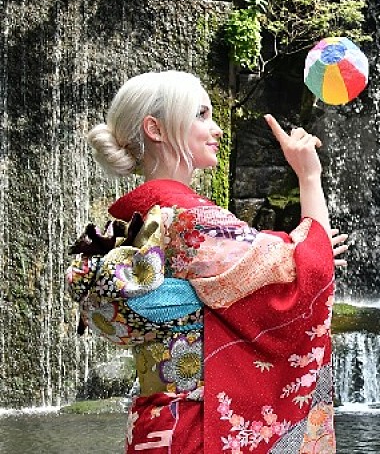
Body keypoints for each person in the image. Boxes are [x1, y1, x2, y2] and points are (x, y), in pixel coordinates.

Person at [66, 70, 346, 453]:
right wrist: (309, 176)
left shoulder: (144, 216)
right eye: (201, 115)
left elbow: (293, 258)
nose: (216, 129)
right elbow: (306, 272)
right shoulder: (192, 219)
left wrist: (306, 248)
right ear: (155, 129)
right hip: (197, 426)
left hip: (153, 420)